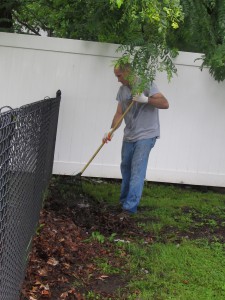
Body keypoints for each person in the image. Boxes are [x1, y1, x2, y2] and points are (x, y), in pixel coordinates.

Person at [103, 63, 169, 214]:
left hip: (146, 135)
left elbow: (165, 103)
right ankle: (124, 201)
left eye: (119, 75)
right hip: (129, 135)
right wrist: (111, 130)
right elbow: (119, 113)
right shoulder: (122, 90)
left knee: (137, 171)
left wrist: (146, 100)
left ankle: (129, 208)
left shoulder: (146, 84)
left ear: (127, 72)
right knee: (126, 168)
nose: (118, 80)